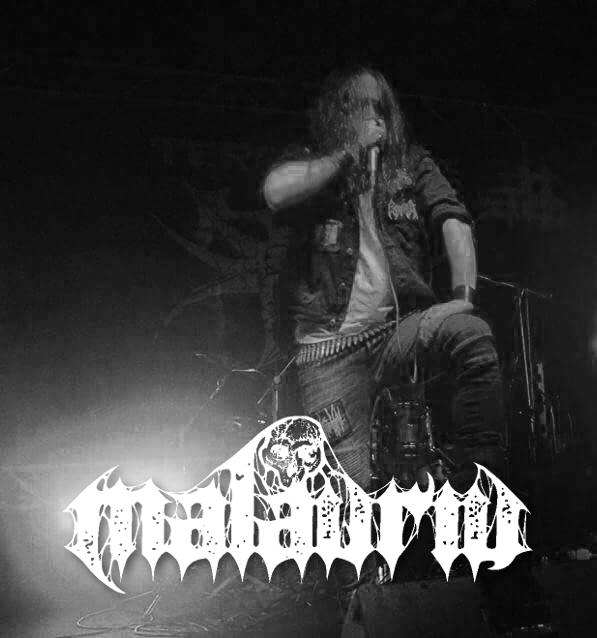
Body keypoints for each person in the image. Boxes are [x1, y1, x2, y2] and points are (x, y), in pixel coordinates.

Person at [262, 66, 505, 492]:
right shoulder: (314, 159)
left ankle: (476, 487)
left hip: (397, 333)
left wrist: (462, 295)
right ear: (338, 112)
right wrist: (347, 154)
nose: (373, 114)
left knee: (471, 334)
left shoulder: (410, 163)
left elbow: (453, 219)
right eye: (360, 105)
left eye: (380, 106)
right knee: (348, 490)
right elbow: (275, 191)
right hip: (327, 350)